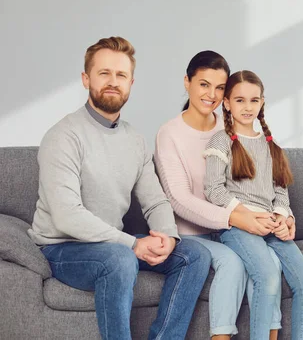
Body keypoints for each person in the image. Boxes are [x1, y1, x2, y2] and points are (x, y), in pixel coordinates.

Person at [28, 36, 212, 340]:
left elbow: (155, 201)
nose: (113, 82)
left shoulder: (133, 139)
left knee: (194, 255)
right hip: (62, 248)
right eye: (104, 73)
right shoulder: (63, 136)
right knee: (120, 259)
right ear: (86, 79)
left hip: (112, 244)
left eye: (121, 75)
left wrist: (167, 235)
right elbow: (67, 216)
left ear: (131, 83)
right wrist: (132, 244)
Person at [154, 51, 283, 339]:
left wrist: (281, 215)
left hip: (231, 229)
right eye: (203, 84)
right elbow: (178, 198)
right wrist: (238, 218)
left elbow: (264, 181)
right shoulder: (169, 134)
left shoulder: (231, 129)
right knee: (233, 263)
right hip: (194, 236)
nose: (211, 94)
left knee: (270, 262)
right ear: (187, 83)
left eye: (220, 87)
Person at [203, 70, 303, 340]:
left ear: (262, 102)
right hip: (238, 227)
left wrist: (282, 217)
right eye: (240, 100)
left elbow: (280, 192)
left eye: (254, 100)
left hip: (270, 224)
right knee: (267, 277)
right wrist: (249, 216)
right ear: (227, 103)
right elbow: (213, 189)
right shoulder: (221, 141)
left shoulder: (271, 145)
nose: (247, 107)